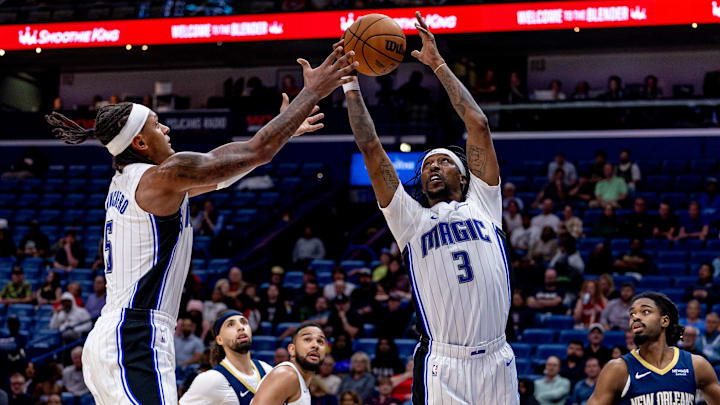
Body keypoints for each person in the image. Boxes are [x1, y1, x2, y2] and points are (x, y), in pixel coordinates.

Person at [46, 44, 357, 405]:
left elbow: (226, 172)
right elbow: (255, 151)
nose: (166, 127)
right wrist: (312, 92)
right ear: (141, 142)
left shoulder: (133, 182)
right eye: (155, 124)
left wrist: (283, 131)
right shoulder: (161, 177)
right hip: (135, 334)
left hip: (115, 336)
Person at [343, 13, 517, 404]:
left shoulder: (485, 202)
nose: (432, 168)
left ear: (465, 175)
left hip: (498, 358)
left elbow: (479, 125)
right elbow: (371, 150)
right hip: (444, 363)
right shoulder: (411, 222)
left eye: (442, 162)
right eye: (426, 166)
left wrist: (438, 65)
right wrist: (350, 84)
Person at [586, 291, 720, 405]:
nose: (636, 317)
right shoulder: (618, 369)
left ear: (664, 321)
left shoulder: (696, 365)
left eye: (645, 312)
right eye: (632, 314)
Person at [179, 311, 273, 405]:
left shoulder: (267, 370)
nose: (241, 327)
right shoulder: (211, 379)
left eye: (244, 322)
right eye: (231, 325)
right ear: (219, 340)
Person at [253, 323, 327, 404]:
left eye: (320, 341)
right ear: (292, 349)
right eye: (307, 339)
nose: (315, 345)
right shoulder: (286, 374)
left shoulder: (301, 382)